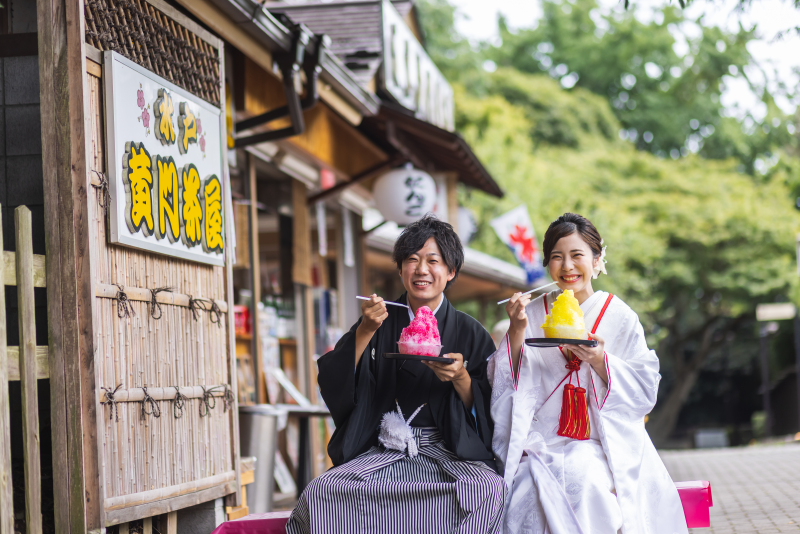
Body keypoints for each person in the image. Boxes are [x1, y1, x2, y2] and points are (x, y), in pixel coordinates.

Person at [287, 215, 506, 534]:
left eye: (433, 260)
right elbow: (335, 378)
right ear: (401, 268)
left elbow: (491, 405)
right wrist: (364, 331)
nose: (421, 269)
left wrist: (460, 378)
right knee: (323, 491)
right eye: (412, 260)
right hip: (384, 446)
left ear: (451, 271)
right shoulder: (378, 321)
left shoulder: (469, 331)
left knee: (489, 490)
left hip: (446, 449)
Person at [488, 213, 687, 534]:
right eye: (557, 257)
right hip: (542, 442)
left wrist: (600, 361)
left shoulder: (620, 316)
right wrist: (516, 329)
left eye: (577, 255)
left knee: (588, 482)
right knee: (525, 493)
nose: (567, 266)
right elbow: (503, 382)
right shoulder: (532, 312)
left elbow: (644, 388)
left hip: (600, 441)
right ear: (546, 264)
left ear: (596, 260)